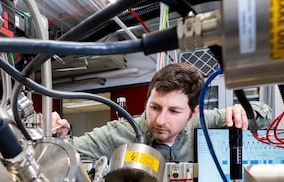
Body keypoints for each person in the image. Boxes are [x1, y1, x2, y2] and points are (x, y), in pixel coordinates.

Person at [52, 62, 272, 163]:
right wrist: (57, 139)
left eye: (174, 111)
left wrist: (245, 110)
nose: (159, 120)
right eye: (154, 107)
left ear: (193, 113)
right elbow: (66, 153)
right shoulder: (122, 132)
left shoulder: (202, 122)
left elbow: (265, 116)